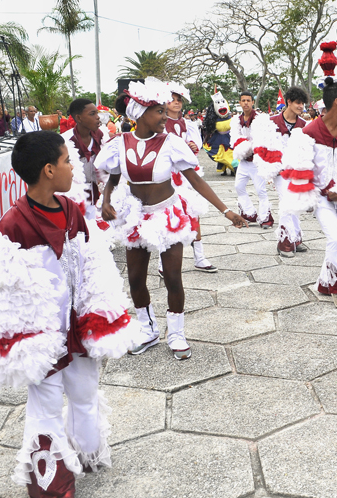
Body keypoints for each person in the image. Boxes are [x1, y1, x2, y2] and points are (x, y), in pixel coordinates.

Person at [0, 131, 138, 496]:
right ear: (49, 170)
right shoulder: (13, 225)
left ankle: (87, 453)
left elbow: (91, 264)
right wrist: (27, 340)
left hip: (77, 328)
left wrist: (97, 314)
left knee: (85, 392)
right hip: (43, 337)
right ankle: (51, 482)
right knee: (46, 404)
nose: (73, 168)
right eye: (67, 161)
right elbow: (2, 294)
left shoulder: (71, 209)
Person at [96, 77, 247, 360]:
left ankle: (176, 333)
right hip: (136, 216)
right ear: (141, 114)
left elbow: (196, 180)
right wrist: (106, 201)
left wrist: (226, 211)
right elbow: (113, 178)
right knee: (135, 279)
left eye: (165, 111)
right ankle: (148, 329)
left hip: (168, 215)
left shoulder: (171, 143)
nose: (165, 117)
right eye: (159, 112)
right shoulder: (119, 144)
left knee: (173, 278)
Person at [278, 77, 337, 310]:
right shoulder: (308, 132)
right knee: (335, 238)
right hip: (321, 198)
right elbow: (300, 167)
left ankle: (323, 283)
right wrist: (310, 195)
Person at [162, 81, 216, 272]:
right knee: (168, 216)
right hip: (166, 175)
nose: (177, 102)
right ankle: (162, 263)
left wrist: (192, 145)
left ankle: (199, 257)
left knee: (193, 212)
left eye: (179, 99)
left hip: (185, 175)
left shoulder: (188, 124)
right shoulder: (159, 122)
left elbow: (195, 145)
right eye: (172, 99)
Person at [267, 86, 310, 257]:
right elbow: (263, 146)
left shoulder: (304, 125)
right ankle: (284, 243)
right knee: (286, 203)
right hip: (279, 171)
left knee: (294, 204)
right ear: (289, 102)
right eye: (298, 103)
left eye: (303, 103)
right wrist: (270, 167)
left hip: (297, 172)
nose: (301, 106)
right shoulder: (271, 122)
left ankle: (295, 238)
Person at [231, 91, 277, 228]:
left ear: (252, 102)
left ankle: (265, 218)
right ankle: (249, 213)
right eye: (243, 100)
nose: (246, 103)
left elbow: (264, 139)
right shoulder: (236, 120)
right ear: (240, 103)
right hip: (244, 161)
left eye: (248, 100)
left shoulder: (260, 119)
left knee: (261, 190)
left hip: (257, 161)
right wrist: (241, 147)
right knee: (238, 186)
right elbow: (234, 138)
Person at [61, 98, 110, 220]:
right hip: (75, 199)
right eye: (92, 114)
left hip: (98, 197)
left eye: (97, 113)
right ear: (79, 118)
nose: (97, 117)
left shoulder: (102, 136)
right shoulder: (65, 141)